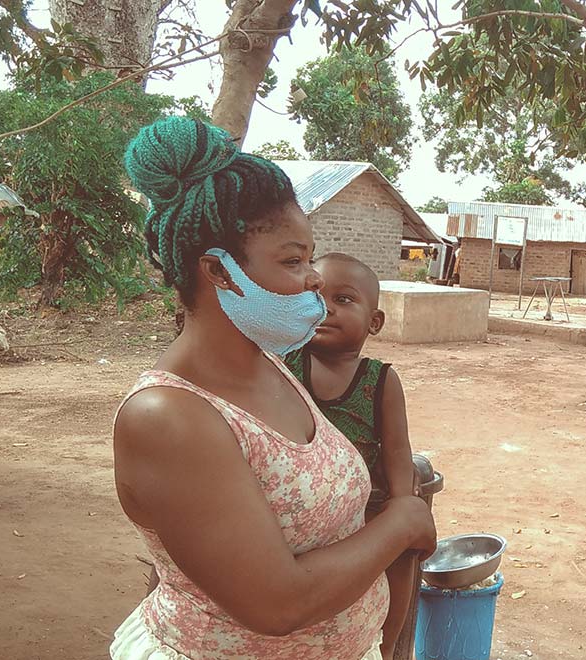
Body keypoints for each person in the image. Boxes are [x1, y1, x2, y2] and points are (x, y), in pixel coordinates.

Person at [112, 116, 436, 659]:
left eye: (309, 257)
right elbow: (277, 603)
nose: (313, 278)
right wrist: (401, 524)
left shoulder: (274, 365)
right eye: (292, 261)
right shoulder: (168, 417)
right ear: (218, 271)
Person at [284, 253, 417, 660]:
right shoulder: (285, 365)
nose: (326, 309)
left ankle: (389, 640)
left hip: (365, 505)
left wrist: (402, 505)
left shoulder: (380, 380)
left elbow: (397, 449)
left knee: (402, 553)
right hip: (303, 501)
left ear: (374, 322)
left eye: (344, 300)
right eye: (318, 295)